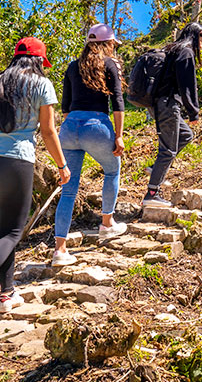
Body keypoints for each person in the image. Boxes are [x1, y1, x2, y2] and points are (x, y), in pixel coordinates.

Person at [0, 38, 70, 313]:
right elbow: (48, 131)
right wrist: (62, 165)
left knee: (2, 229)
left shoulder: (1, 80)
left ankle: (6, 294)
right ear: (40, 61)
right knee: (14, 230)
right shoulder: (42, 84)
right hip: (18, 161)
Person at [53, 23, 127, 266]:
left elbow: (65, 105)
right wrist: (118, 135)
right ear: (107, 44)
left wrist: (72, 130)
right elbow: (117, 102)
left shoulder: (73, 66)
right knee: (112, 169)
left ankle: (60, 250)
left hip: (69, 128)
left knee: (69, 188)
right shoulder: (109, 65)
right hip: (96, 125)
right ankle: (106, 223)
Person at [143, 22, 202, 208]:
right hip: (168, 104)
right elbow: (188, 85)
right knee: (168, 149)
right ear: (194, 35)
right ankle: (152, 193)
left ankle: (155, 170)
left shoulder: (172, 49)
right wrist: (193, 112)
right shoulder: (186, 52)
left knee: (186, 135)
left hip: (158, 103)